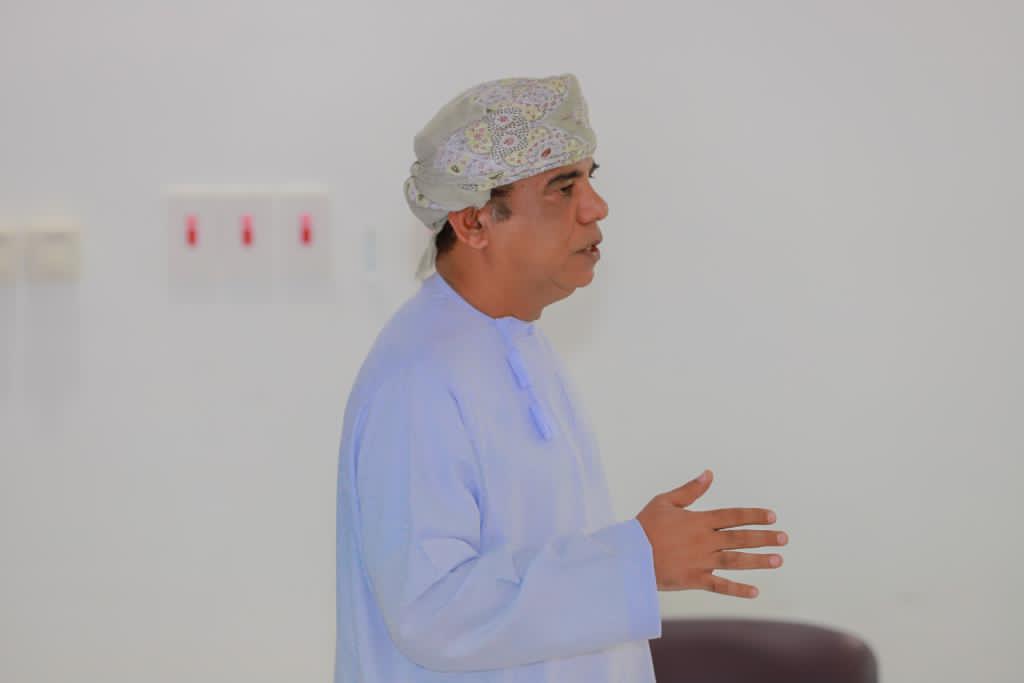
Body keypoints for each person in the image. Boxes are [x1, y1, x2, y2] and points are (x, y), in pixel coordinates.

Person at [334, 73, 789, 682]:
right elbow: (432, 612)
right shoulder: (418, 381)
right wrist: (634, 564)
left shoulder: (517, 343)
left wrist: (632, 563)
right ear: (473, 223)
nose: (596, 207)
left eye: (590, 179)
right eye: (562, 187)